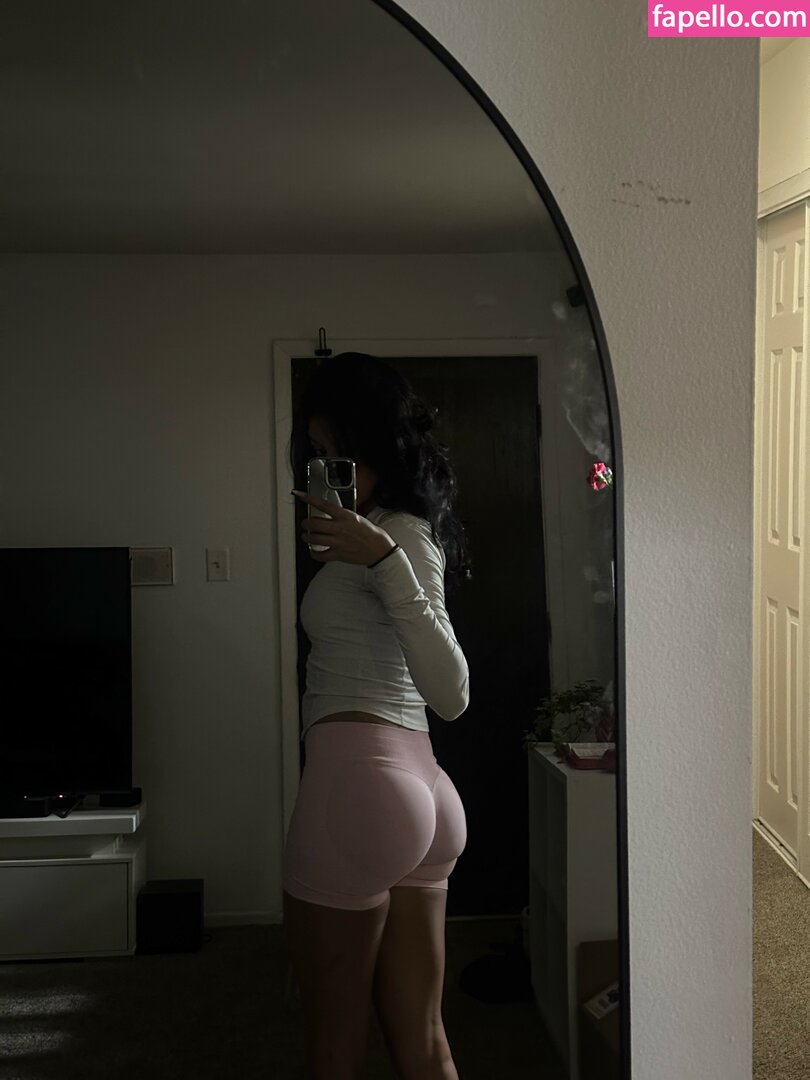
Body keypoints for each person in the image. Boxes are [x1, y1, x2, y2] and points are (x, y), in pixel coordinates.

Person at [282, 352, 472, 1080]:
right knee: (424, 1043)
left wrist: (385, 559)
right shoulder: (381, 533)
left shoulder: (401, 536)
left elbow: (452, 693)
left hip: (360, 785)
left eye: (339, 452)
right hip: (416, 790)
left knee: (336, 1043)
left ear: (380, 445)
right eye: (316, 453)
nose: (325, 469)